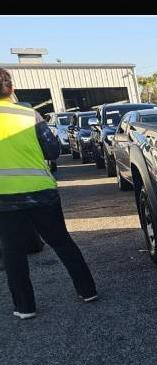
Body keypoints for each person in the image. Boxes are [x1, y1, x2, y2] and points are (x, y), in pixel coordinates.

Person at [0, 67, 97, 319]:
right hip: (42, 193)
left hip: (4, 200)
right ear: (11, 88)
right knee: (62, 242)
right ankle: (87, 290)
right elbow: (53, 150)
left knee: (12, 252)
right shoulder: (30, 115)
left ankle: (25, 307)